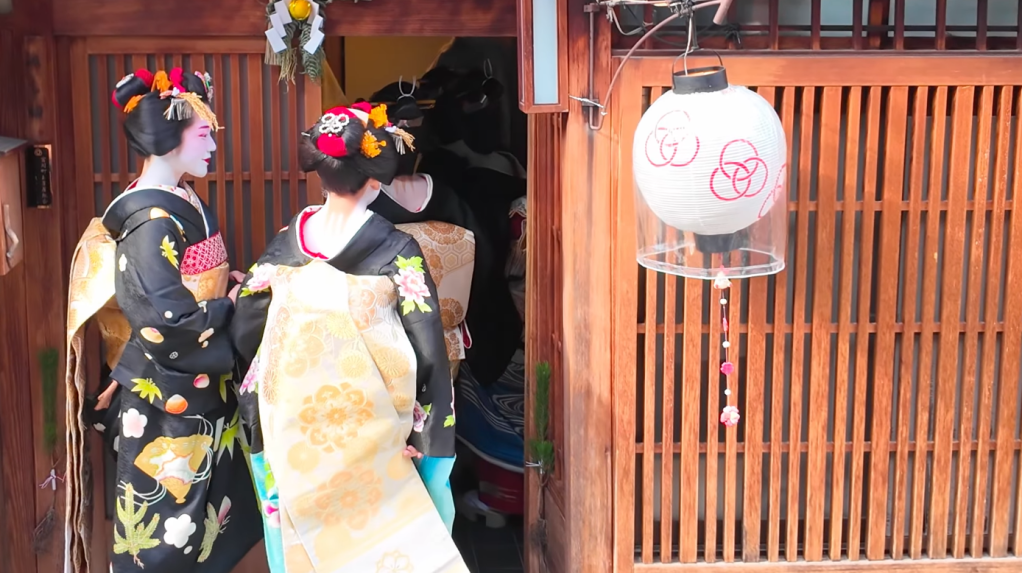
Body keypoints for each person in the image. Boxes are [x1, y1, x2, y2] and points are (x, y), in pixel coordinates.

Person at [230, 103, 467, 572]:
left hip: (291, 425)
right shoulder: (396, 250)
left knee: (300, 544)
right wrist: (428, 435)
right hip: (375, 429)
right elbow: (427, 348)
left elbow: (246, 328)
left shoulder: (286, 243)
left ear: (322, 174)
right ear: (376, 180)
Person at [65, 68, 261, 573]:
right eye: (204, 134)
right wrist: (230, 304)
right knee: (164, 517)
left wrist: (225, 284)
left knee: (206, 509)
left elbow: (194, 281)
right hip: (168, 387)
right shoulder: (149, 221)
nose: (213, 145)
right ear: (168, 139)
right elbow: (166, 318)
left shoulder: (180, 198)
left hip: (197, 378)